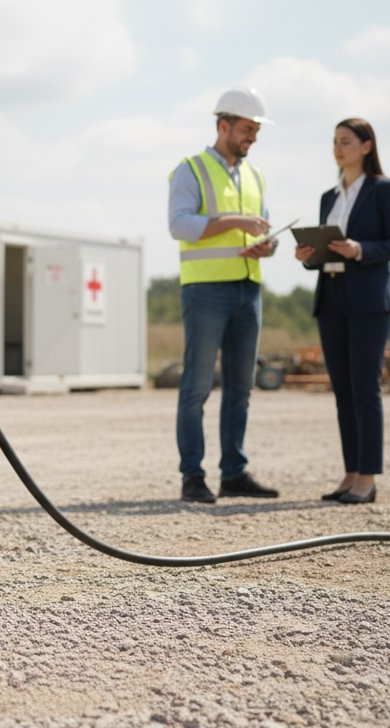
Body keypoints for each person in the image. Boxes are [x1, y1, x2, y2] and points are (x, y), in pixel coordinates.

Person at [167, 86, 281, 504]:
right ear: (223, 125)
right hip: (205, 291)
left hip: (248, 290)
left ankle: (234, 473)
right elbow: (179, 225)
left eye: (256, 130)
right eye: (247, 129)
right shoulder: (190, 170)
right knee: (196, 387)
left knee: (241, 388)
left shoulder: (255, 176)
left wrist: (267, 245)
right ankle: (193, 477)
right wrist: (235, 221)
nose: (252, 137)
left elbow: (263, 228)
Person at [294, 118, 390, 504]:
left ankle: (368, 479)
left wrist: (359, 249)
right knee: (342, 391)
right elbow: (324, 255)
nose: (338, 149)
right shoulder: (329, 196)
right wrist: (307, 256)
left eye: (345, 142)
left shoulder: (384, 189)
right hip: (331, 297)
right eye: (334, 142)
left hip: (369, 300)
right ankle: (350, 473)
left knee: (365, 389)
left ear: (366, 146)